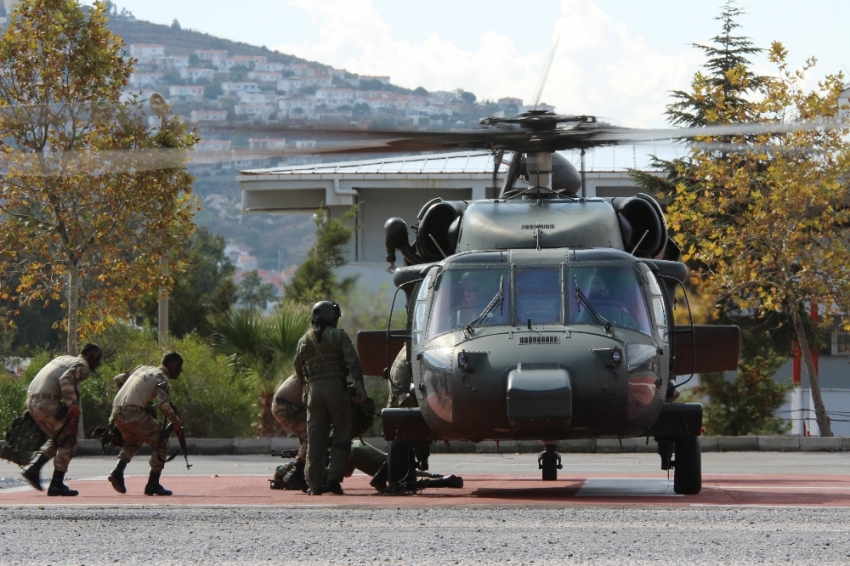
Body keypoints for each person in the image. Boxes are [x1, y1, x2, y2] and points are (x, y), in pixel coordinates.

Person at [294, 300, 367, 495]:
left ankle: (314, 484)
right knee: (342, 434)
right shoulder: (338, 336)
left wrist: (305, 384)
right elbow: (353, 363)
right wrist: (360, 388)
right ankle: (333, 480)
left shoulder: (304, 340)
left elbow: (297, 366)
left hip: (313, 390)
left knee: (315, 438)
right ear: (332, 318)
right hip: (336, 387)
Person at [21, 343, 103, 496]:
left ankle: (34, 469)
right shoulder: (83, 366)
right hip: (47, 402)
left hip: (32, 401)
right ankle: (56, 483)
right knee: (68, 441)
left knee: (58, 438)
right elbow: (65, 379)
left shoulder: (64, 359)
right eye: (97, 359)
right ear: (92, 356)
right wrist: (72, 404)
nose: (97, 363)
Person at [106, 351, 184, 496]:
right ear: (172, 365)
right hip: (133, 412)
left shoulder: (142, 369)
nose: (180, 371)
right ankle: (153, 484)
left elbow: (118, 379)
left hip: (116, 411)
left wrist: (136, 397)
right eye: (179, 367)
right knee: (162, 444)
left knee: (133, 442)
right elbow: (163, 404)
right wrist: (176, 421)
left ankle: (117, 472)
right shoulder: (162, 378)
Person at [270, 374, 309, 491]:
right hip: (287, 406)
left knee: (312, 435)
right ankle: (297, 473)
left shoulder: (313, 365)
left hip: (288, 404)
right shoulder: (319, 371)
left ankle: (300, 472)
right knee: (316, 435)